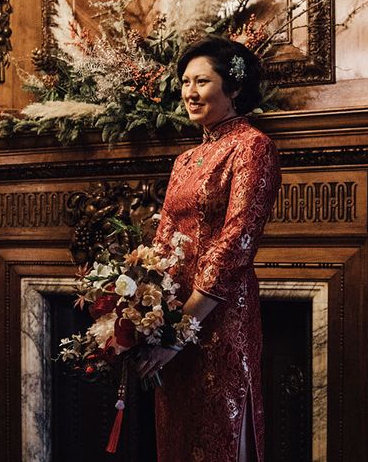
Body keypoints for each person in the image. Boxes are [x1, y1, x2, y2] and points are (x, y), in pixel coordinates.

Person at [136, 36, 281, 462]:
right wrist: (149, 313)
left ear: (233, 87)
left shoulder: (254, 147)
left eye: (202, 80)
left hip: (219, 315)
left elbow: (236, 241)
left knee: (219, 431)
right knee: (177, 433)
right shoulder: (185, 159)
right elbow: (163, 237)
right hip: (175, 317)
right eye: (184, 81)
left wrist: (183, 327)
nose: (189, 92)